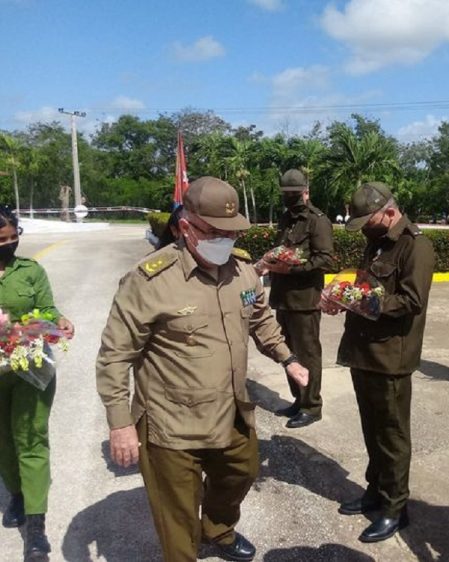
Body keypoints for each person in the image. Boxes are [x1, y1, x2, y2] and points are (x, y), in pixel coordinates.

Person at [95, 177, 309, 562]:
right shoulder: (150, 280)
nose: (225, 239)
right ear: (186, 227)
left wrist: (287, 358)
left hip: (230, 411)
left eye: (232, 232)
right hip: (170, 424)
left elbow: (260, 319)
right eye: (215, 231)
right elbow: (114, 355)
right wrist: (120, 423)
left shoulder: (242, 270)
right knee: (177, 522)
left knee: (241, 473)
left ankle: (217, 529)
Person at [322, 182, 434, 543]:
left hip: (391, 358)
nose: (365, 228)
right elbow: (365, 287)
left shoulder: (416, 246)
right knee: (372, 430)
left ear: (388, 211)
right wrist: (344, 298)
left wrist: (363, 302)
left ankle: (395, 508)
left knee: (392, 436)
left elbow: (410, 301)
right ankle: (375, 492)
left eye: (368, 221)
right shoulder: (376, 240)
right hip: (363, 352)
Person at [0, 205, 74, 561]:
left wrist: (54, 322)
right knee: (2, 440)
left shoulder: (30, 271)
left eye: (13, 238)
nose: (8, 245)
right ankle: (15, 493)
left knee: (30, 439)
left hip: (29, 368)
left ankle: (36, 527)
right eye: (2, 240)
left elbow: (46, 311)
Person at [258, 169, 334, 429]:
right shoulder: (285, 218)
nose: (290, 198)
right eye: (286, 194)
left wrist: (290, 269)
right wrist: (272, 262)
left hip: (305, 300)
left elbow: (325, 259)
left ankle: (312, 406)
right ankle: (298, 399)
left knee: (307, 353)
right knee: (289, 352)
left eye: (294, 194)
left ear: (306, 191)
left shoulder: (317, 221)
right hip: (283, 297)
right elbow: (283, 250)